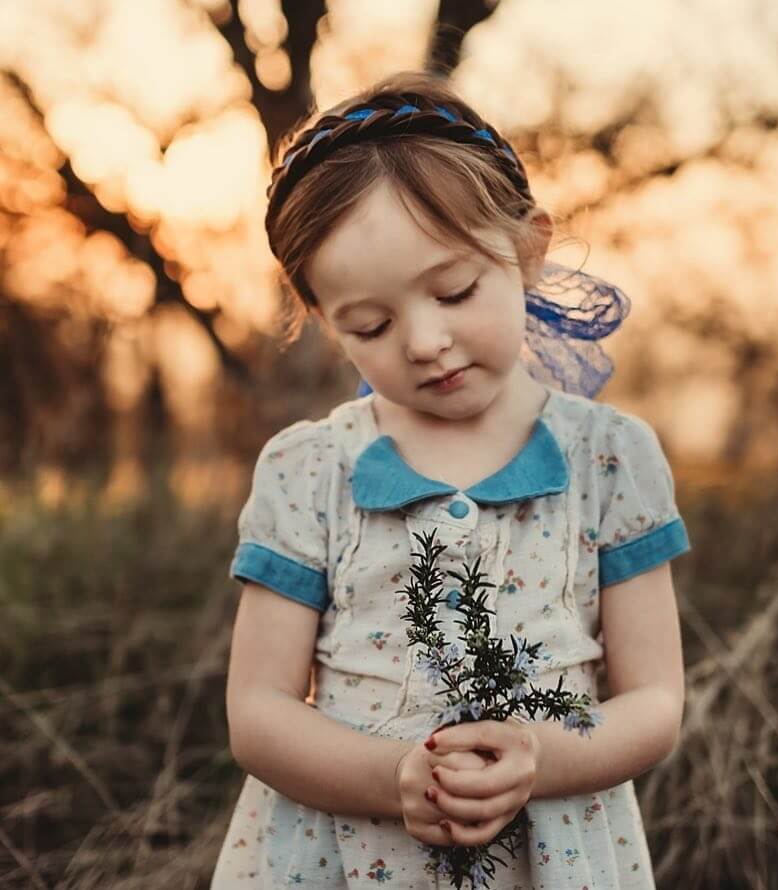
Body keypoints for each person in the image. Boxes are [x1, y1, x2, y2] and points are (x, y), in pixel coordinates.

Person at [210, 70, 692, 890]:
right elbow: (258, 714)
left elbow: (654, 701)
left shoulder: (608, 459)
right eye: (373, 324)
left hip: (551, 852)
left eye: (456, 290)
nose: (426, 340)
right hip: (338, 850)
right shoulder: (309, 469)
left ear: (529, 250)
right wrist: (392, 778)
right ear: (328, 323)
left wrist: (540, 755)